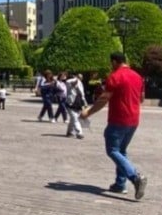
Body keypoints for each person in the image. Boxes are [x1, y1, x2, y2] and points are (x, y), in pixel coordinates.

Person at [82, 52, 148, 200]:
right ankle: (120, 184)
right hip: (134, 120)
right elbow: (142, 98)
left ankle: (135, 177)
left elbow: (103, 99)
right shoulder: (137, 77)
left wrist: (88, 112)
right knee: (121, 151)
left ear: (114, 62)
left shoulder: (115, 76)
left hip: (118, 119)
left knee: (112, 150)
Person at [63, 71, 87, 139]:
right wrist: (75, 79)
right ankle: (79, 133)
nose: (80, 78)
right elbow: (68, 81)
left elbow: (83, 95)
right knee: (75, 118)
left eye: (81, 77)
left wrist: (85, 103)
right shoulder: (69, 84)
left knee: (73, 119)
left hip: (78, 104)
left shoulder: (80, 84)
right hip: (70, 104)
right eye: (78, 77)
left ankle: (69, 132)